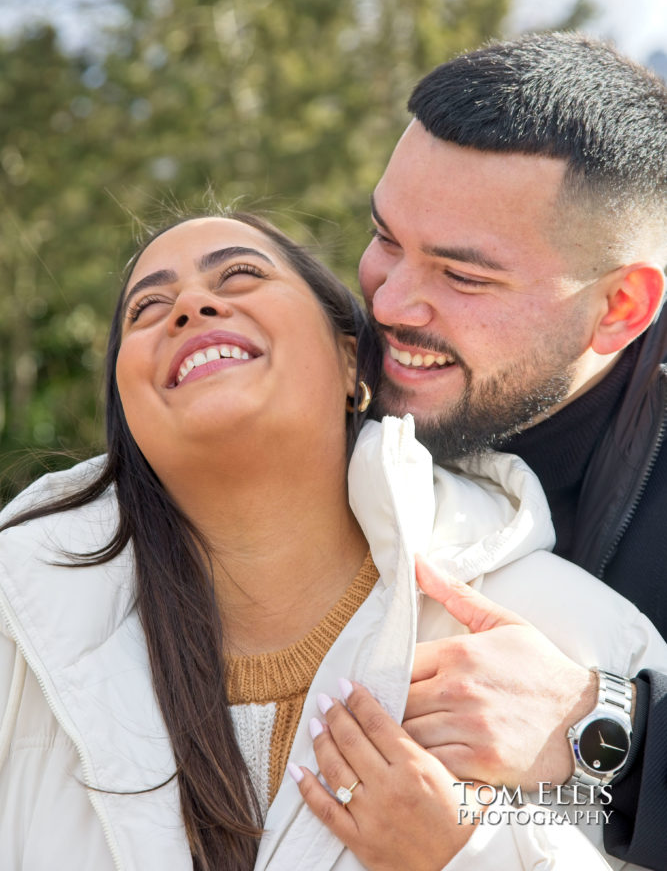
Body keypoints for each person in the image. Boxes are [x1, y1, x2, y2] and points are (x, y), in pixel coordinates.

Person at [0, 212, 662, 871]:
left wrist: (469, 853)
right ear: (127, 412)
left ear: (352, 359)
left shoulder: (564, 639)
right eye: (147, 309)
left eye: (239, 275)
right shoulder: (18, 638)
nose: (192, 305)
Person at [358, 31, 667, 869]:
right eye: (385, 237)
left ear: (619, 307)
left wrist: (599, 727)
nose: (389, 304)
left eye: (462, 277)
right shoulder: (315, 373)